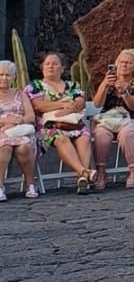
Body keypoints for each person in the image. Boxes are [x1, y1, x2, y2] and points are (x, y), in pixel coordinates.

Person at [26, 51, 94, 194]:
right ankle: (84, 172)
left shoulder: (72, 85)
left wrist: (69, 107)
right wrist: (65, 104)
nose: (51, 66)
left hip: (73, 124)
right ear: (42, 67)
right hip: (48, 127)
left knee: (85, 136)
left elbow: (80, 103)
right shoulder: (36, 85)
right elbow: (39, 106)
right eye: (47, 64)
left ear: (62, 68)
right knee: (60, 138)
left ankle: (82, 179)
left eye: (55, 63)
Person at [91, 49, 134, 190]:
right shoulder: (109, 81)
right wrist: (104, 86)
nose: (124, 65)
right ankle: (101, 172)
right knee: (101, 134)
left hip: (133, 119)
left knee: (127, 133)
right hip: (109, 119)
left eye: (128, 63)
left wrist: (125, 93)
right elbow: (97, 104)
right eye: (122, 62)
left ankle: (133, 171)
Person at [0, 60, 39, 199]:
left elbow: (30, 115)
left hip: (20, 130)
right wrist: (6, 121)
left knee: (24, 147)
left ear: (13, 77)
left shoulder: (20, 93)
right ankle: (0, 187)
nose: (4, 78)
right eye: (1, 74)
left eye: (8, 75)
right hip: (1, 132)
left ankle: (30, 185)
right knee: (4, 147)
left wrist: (18, 121)